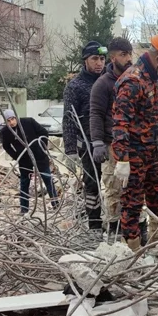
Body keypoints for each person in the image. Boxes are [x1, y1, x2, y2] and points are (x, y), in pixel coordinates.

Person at [112, 32, 158, 251]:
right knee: (132, 203)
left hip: (151, 153)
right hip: (133, 156)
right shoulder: (132, 81)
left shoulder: (150, 78)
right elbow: (120, 124)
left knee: (156, 196)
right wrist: (122, 159)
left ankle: (157, 239)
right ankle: (131, 247)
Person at [90, 37, 133, 237]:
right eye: (123, 55)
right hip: (110, 144)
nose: (129, 59)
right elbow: (96, 113)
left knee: (132, 190)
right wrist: (97, 142)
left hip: (132, 145)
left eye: (130, 54)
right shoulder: (103, 84)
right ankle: (114, 230)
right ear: (113, 57)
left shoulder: (133, 80)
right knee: (113, 189)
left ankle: (132, 229)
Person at [64, 41, 107, 231]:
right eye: (95, 59)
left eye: (102, 59)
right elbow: (68, 120)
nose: (99, 63)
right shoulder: (75, 86)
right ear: (85, 60)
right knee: (92, 184)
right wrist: (70, 150)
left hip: (110, 141)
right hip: (88, 145)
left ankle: (116, 223)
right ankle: (95, 224)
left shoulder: (108, 80)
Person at [1, 109, 58, 215]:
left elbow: (43, 133)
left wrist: (41, 147)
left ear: (16, 117)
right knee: (24, 183)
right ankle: (24, 209)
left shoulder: (29, 122)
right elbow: (6, 146)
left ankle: (55, 204)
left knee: (47, 179)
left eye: (13, 119)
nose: (12, 122)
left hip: (39, 156)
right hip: (24, 160)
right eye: (8, 120)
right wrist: (16, 155)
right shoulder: (5, 131)